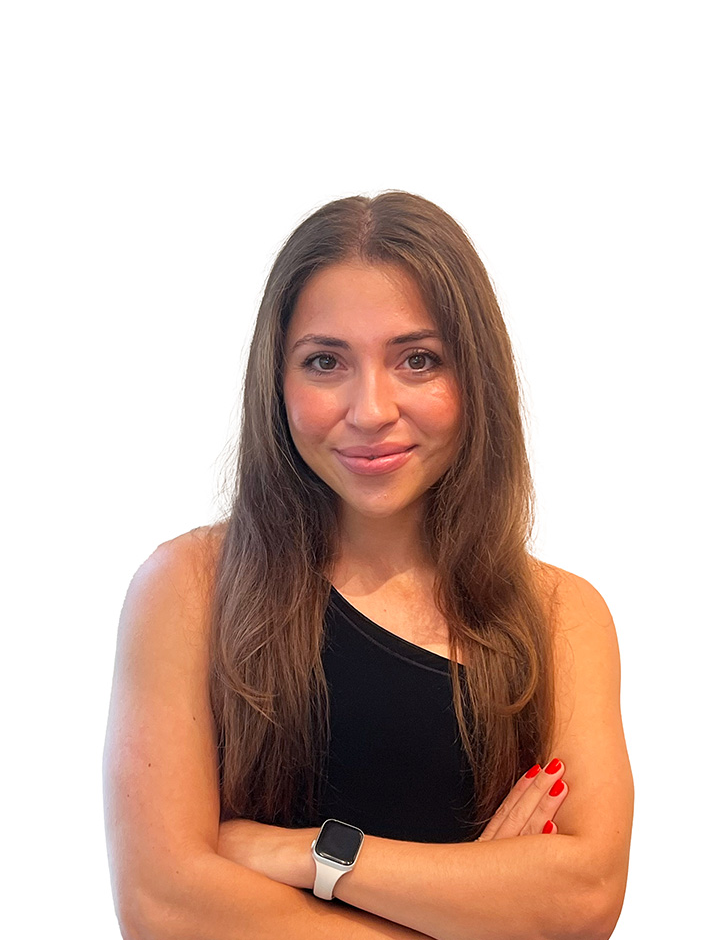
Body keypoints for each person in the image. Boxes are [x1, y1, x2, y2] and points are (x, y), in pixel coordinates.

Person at [103, 192, 633, 940]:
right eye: (325, 362)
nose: (372, 409)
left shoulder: (559, 616)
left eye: (417, 360)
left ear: (474, 376)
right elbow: (165, 909)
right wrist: (473, 911)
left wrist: (300, 853)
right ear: (276, 382)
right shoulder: (187, 590)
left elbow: (581, 899)